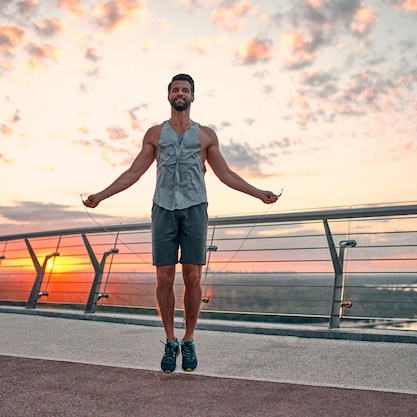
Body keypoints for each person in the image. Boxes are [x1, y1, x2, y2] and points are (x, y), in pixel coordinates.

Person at [83, 73, 280, 373]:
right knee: (163, 277)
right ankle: (170, 340)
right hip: (162, 209)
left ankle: (189, 339)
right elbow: (134, 172)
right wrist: (101, 195)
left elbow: (225, 175)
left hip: (195, 209)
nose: (180, 93)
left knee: (192, 277)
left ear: (192, 97)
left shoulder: (206, 136)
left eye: (185, 90)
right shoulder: (154, 134)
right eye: (175, 89)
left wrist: (258, 193)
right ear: (168, 96)